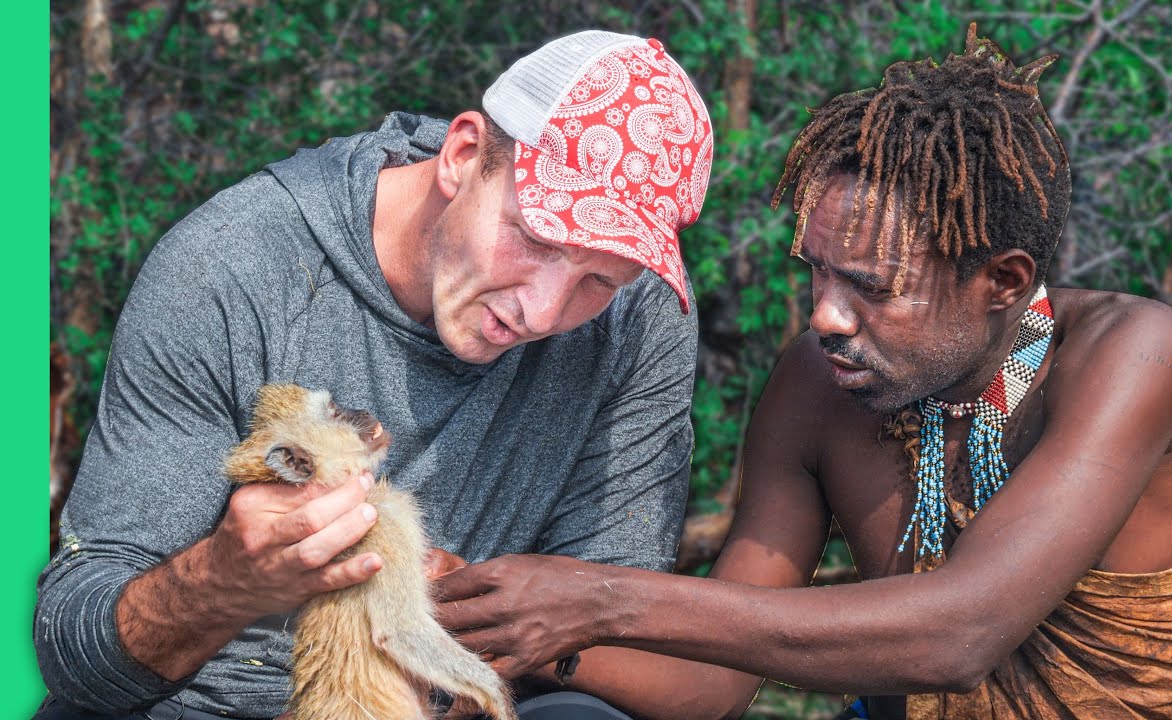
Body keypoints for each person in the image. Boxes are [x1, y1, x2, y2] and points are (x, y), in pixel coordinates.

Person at [430, 24, 1172, 719]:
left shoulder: (1128, 354)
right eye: (817, 272)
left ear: (1004, 283)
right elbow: (711, 685)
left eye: (871, 287)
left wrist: (599, 599)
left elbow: (960, 636)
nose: (824, 316)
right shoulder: (817, 386)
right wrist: (513, 623)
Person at [35, 30, 713, 720]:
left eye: (597, 278)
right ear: (463, 155)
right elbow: (76, 655)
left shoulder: (639, 312)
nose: (542, 311)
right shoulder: (230, 268)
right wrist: (221, 583)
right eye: (535, 238)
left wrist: (495, 624)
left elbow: (613, 628)